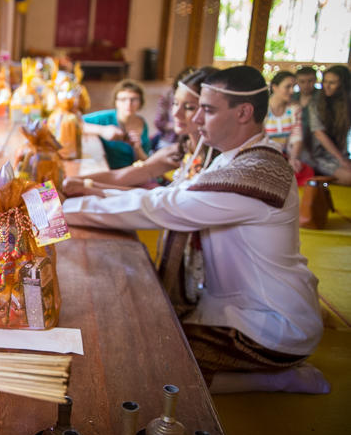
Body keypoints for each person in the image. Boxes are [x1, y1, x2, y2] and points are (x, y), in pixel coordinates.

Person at [62, 66, 327, 394]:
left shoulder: (255, 171)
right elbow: (168, 197)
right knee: (124, 336)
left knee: (135, 361)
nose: (197, 119)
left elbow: (164, 208)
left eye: (208, 109)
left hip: (271, 326)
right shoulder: (230, 158)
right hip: (234, 309)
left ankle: (278, 379)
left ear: (244, 112)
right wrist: (91, 193)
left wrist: (62, 210)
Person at [63, 67, 218, 197]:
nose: (176, 113)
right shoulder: (180, 150)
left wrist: (89, 187)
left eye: (189, 107)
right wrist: (77, 181)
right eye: (175, 104)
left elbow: (162, 202)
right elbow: (122, 175)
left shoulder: (218, 167)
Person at [290, 65, 351, 185]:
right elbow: (319, 133)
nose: (326, 86)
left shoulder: (347, 103)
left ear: (343, 84)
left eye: (332, 83)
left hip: (336, 153)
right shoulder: (316, 102)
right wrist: (341, 160)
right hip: (315, 154)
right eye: (325, 82)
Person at [82, 79, 151, 169]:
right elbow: (75, 123)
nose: (128, 104)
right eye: (123, 99)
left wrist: (137, 148)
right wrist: (102, 130)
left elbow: (146, 162)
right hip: (110, 172)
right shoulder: (105, 117)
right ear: (116, 102)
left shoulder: (142, 123)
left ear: (140, 102)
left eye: (133, 99)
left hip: (133, 173)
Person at [263, 70, 301, 154]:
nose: (292, 91)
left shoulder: (294, 109)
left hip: (285, 156)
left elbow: (297, 136)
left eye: (293, 87)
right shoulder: (263, 108)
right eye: (287, 87)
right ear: (275, 87)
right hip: (265, 155)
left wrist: (293, 159)